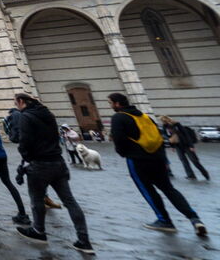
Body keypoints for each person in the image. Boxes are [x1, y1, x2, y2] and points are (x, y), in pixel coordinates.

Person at [108, 93, 207, 236]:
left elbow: (118, 138)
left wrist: (124, 153)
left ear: (117, 103)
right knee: (169, 189)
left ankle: (164, 220)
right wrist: (164, 160)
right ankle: (195, 219)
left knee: (148, 190)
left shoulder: (118, 117)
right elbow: (159, 137)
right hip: (158, 158)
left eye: (110, 103)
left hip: (137, 159)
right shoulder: (145, 116)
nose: (110, 105)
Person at [13, 93, 93, 254]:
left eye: (16, 103)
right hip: (58, 161)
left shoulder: (25, 116)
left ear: (21, 102)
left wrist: (26, 158)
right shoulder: (48, 114)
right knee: (70, 201)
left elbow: (24, 141)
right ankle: (84, 240)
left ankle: (38, 231)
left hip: (39, 164)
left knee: (36, 199)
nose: (16, 106)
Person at [161, 115, 209, 181]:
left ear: (168, 119)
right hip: (177, 146)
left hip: (186, 145)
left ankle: (205, 174)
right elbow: (166, 135)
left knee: (194, 161)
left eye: (165, 121)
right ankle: (191, 175)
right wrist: (172, 145)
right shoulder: (165, 127)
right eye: (163, 121)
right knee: (184, 161)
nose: (164, 122)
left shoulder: (177, 124)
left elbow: (186, 135)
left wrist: (191, 146)